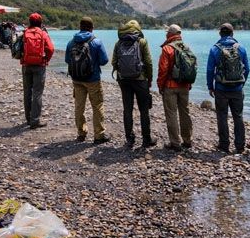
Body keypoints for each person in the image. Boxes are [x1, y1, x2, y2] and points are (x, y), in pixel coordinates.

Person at [112, 20, 155, 148]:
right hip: (140, 80)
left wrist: (121, 73)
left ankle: (129, 139)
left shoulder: (118, 43)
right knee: (144, 110)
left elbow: (114, 62)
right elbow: (148, 62)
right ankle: (146, 139)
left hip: (124, 80)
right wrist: (150, 78)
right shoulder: (142, 41)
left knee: (127, 109)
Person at [65, 17, 109, 143]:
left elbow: (68, 60)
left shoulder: (71, 42)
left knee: (79, 106)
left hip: (77, 79)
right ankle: (99, 135)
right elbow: (104, 61)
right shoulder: (96, 42)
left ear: (80, 27)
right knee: (97, 105)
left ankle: (81, 133)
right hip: (93, 79)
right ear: (92, 28)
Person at [206, 23, 249, 153]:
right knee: (238, 116)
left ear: (220, 33)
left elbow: (209, 70)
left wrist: (210, 86)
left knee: (222, 116)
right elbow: (247, 69)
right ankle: (240, 146)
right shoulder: (241, 48)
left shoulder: (215, 49)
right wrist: (241, 83)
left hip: (221, 88)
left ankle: (224, 145)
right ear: (232, 33)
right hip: (237, 89)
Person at [157, 24, 194, 151]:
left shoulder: (167, 48)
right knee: (185, 112)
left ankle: (175, 142)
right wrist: (189, 84)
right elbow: (192, 68)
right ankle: (187, 140)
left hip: (170, 86)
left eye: (167, 33)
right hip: (185, 85)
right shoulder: (187, 48)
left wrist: (160, 86)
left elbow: (163, 70)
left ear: (170, 34)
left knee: (171, 113)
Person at [20, 13, 55, 129]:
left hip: (26, 65)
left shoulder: (25, 33)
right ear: (40, 22)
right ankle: (35, 120)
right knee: (37, 93)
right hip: (39, 65)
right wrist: (46, 60)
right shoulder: (43, 33)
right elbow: (50, 49)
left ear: (30, 22)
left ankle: (28, 119)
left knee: (27, 91)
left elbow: (18, 48)